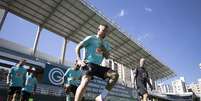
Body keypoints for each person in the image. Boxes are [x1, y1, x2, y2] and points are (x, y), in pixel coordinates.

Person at [74, 24, 119, 101]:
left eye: (106, 31)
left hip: (98, 66)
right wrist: (79, 60)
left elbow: (107, 56)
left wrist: (103, 48)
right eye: (103, 30)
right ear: (98, 30)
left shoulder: (106, 43)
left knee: (115, 75)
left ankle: (100, 97)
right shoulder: (91, 38)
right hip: (88, 63)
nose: (105, 32)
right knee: (85, 82)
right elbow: (78, 47)